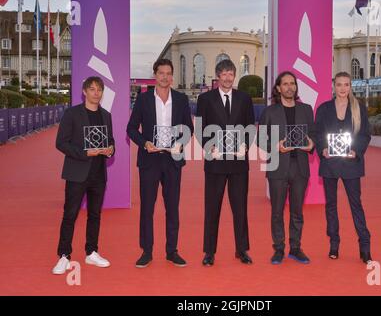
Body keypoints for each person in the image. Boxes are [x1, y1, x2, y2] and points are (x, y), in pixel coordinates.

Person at [127, 58, 194, 268]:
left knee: (172, 208)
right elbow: (130, 129)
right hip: (149, 160)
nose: (165, 77)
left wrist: (181, 144)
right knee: (147, 207)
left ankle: (172, 251)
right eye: (161, 73)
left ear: (172, 76)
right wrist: (144, 143)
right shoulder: (144, 99)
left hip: (173, 160)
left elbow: (188, 129)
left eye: (168, 73)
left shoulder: (182, 99)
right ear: (155, 75)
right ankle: (146, 251)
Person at [52, 76, 115, 274]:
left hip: (98, 174)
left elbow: (111, 140)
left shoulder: (106, 115)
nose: (96, 93)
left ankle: (92, 252)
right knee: (70, 215)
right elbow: (61, 143)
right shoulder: (72, 114)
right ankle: (63, 255)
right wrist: (84, 153)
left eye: (99, 90)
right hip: (77, 173)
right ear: (84, 91)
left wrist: (111, 149)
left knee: (95, 215)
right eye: (92, 89)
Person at [196, 59, 255, 266]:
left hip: (239, 163)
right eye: (224, 74)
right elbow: (199, 128)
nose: (228, 78)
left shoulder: (245, 98)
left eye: (231, 74)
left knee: (240, 208)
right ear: (217, 76)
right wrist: (208, 146)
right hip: (215, 162)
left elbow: (250, 126)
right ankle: (209, 252)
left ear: (234, 75)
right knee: (212, 208)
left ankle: (242, 250)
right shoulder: (205, 99)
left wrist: (246, 145)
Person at [314, 71, 373, 264]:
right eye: (339, 85)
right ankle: (334, 244)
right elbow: (317, 133)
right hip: (330, 163)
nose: (342, 88)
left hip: (351, 164)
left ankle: (365, 247)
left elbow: (365, 134)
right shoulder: (323, 108)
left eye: (346, 85)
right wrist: (322, 148)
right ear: (334, 86)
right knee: (331, 206)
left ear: (350, 87)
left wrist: (356, 150)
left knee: (356, 205)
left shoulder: (359, 108)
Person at [258, 71, 315, 265]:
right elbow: (259, 139)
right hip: (277, 167)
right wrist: (275, 146)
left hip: (300, 167)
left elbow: (313, 135)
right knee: (277, 211)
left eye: (292, 84)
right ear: (278, 88)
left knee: (297, 211)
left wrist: (311, 145)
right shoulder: (270, 112)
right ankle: (279, 249)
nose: (290, 87)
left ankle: (296, 248)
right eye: (285, 84)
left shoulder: (306, 109)